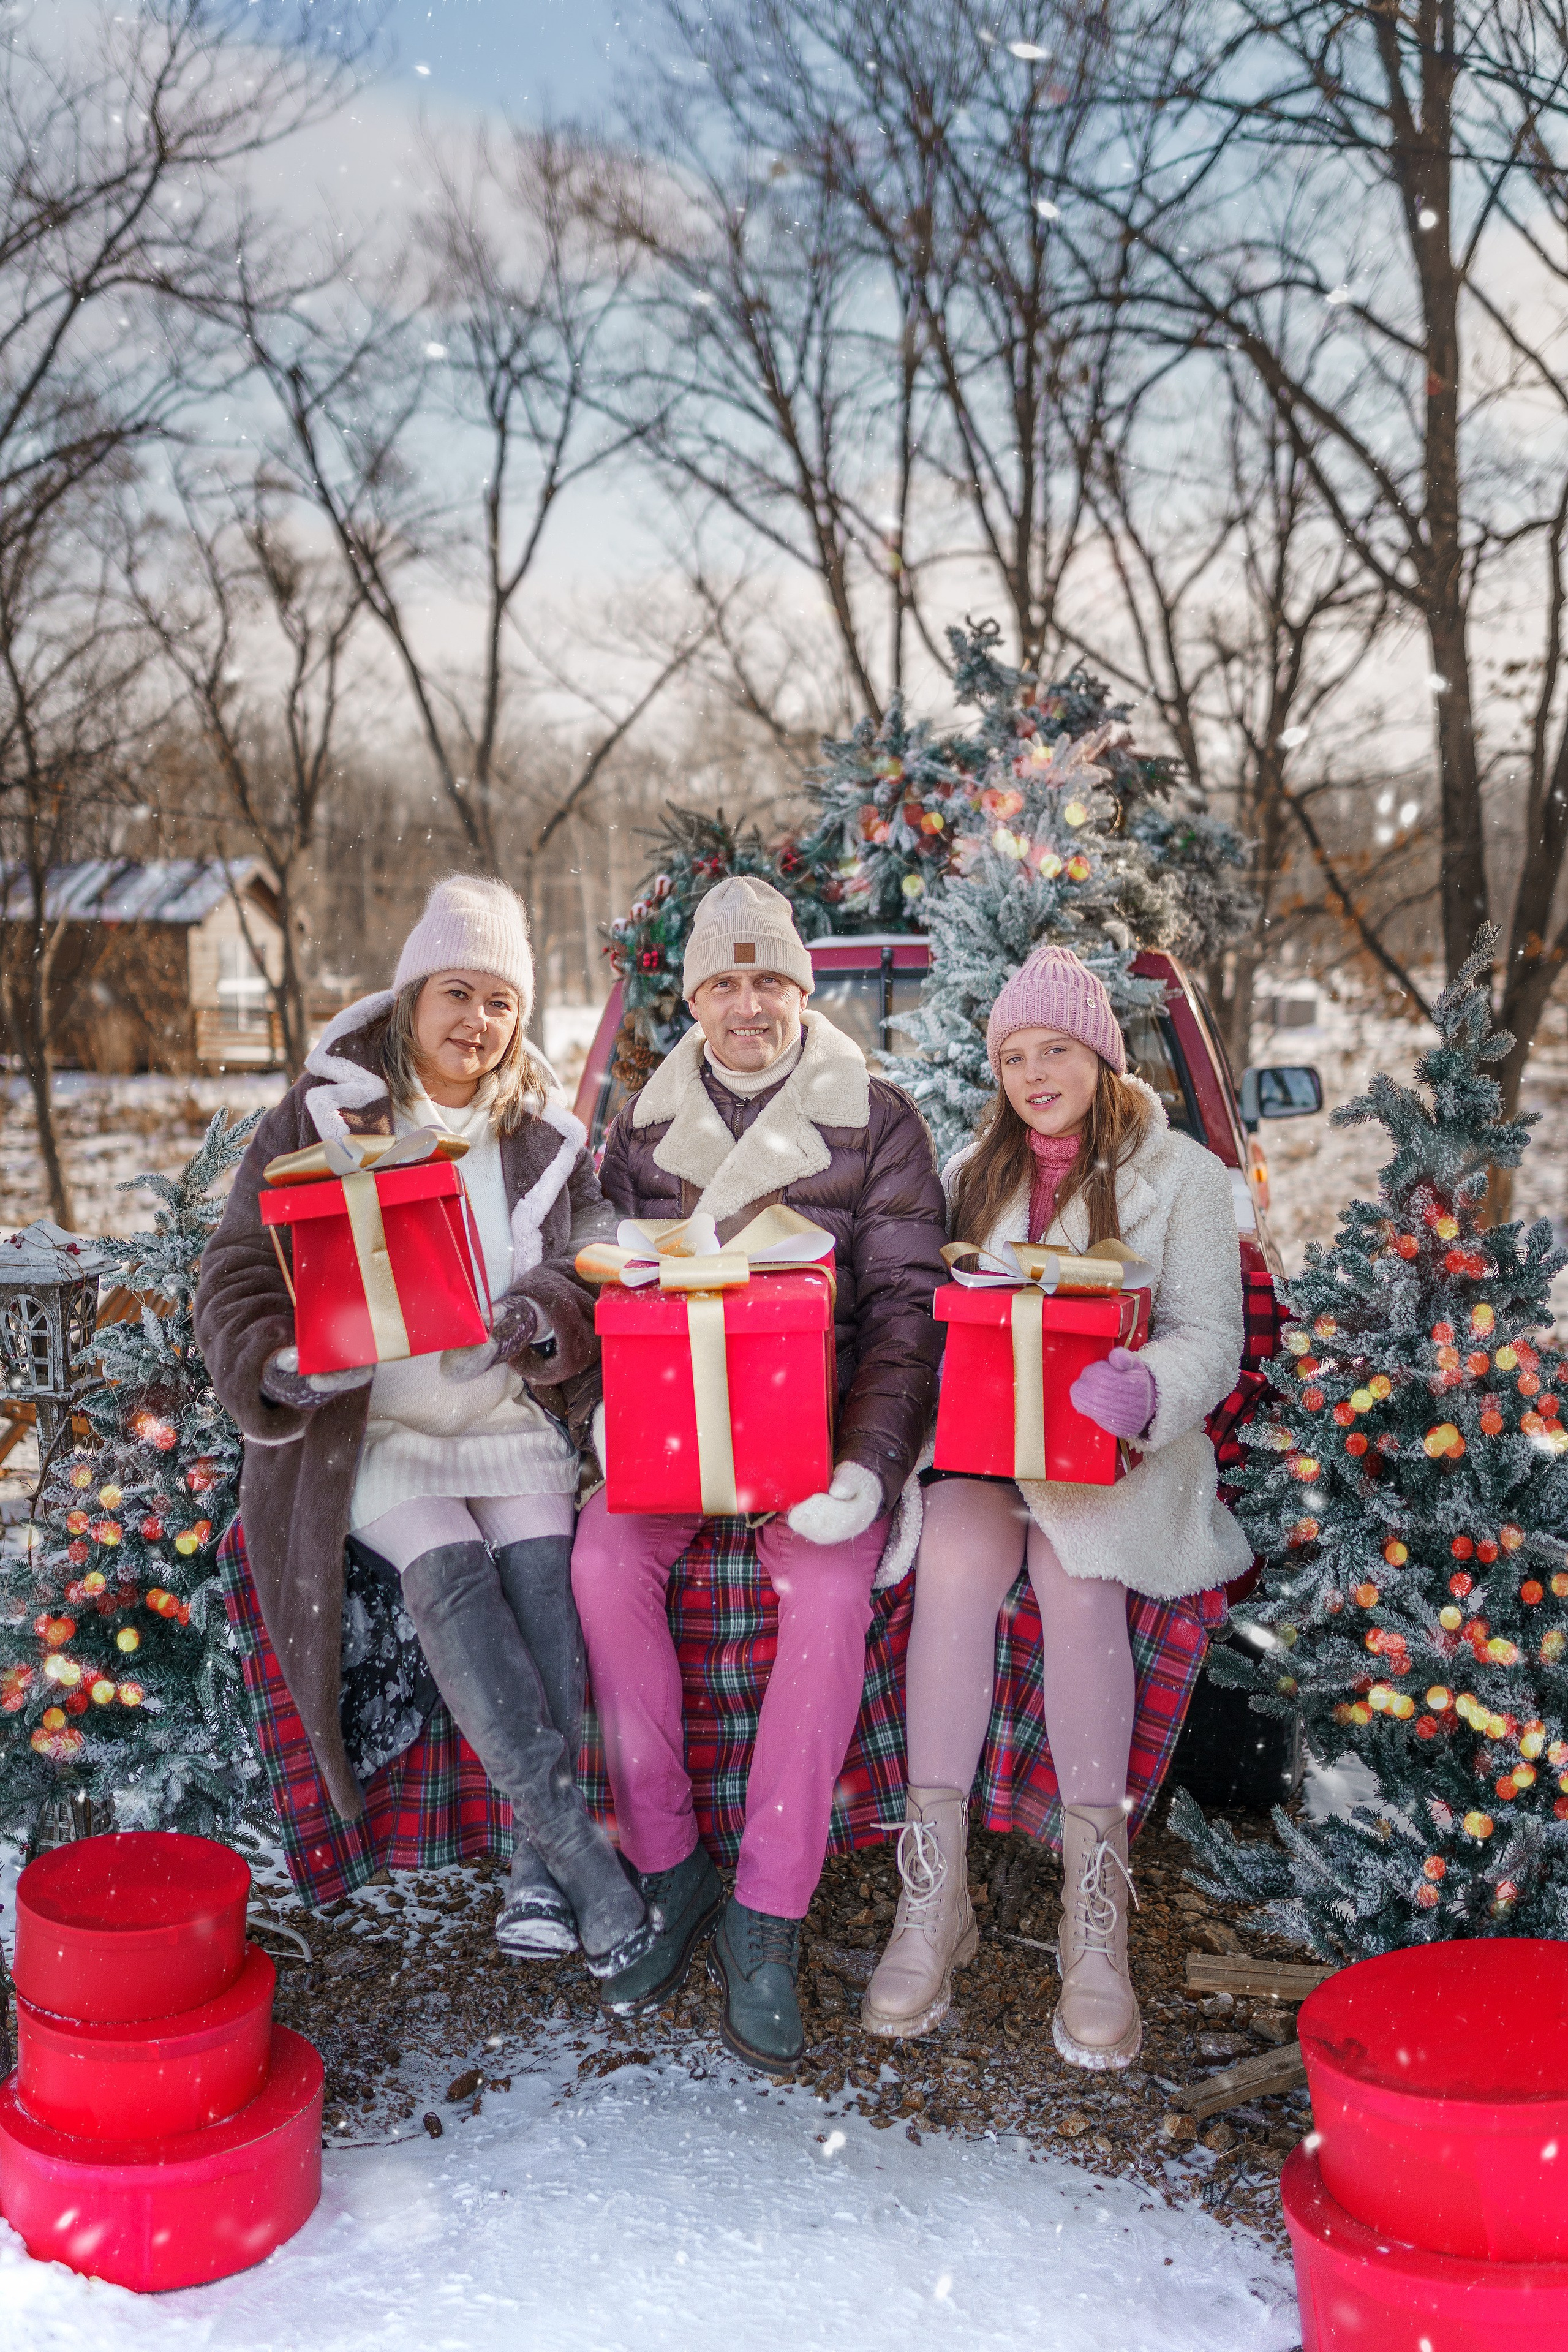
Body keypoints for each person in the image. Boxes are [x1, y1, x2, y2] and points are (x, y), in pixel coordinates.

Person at [196, 875, 653, 1983]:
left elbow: (590, 1264)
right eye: (457, 992)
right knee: (448, 1572)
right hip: (377, 1428)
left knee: (546, 1575)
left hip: (501, 1410)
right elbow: (235, 1271)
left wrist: (542, 1313)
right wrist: (276, 1359)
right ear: (410, 996)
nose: (477, 1024)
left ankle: (536, 1876)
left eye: (501, 1002)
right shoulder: (322, 1116)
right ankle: (581, 1859)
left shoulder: (543, 1140)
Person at [571, 875, 949, 2070]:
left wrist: (869, 1466)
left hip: (819, 1437)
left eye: (767, 978)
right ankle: (670, 1864)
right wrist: (602, 1421)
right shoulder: (639, 1127)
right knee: (600, 1560)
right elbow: (606, 1298)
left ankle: (766, 1912)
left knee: (831, 1590)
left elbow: (907, 1306)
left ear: (802, 986)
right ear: (694, 998)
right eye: (723, 982)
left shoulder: (875, 1118)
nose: (747, 1004)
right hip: (675, 1439)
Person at [861, 944, 1250, 2067]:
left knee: (1077, 1581)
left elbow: (1211, 1339)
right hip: (991, 1452)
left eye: (1057, 1050)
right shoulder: (980, 1173)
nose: (1037, 1073)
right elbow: (945, 1317)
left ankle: (1097, 1914)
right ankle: (934, 1900)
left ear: (1101, 1056)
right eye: (1016, 1055)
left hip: (1115, 1457)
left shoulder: (1179, 1176)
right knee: (954, 1566)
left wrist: (1148, 1391)